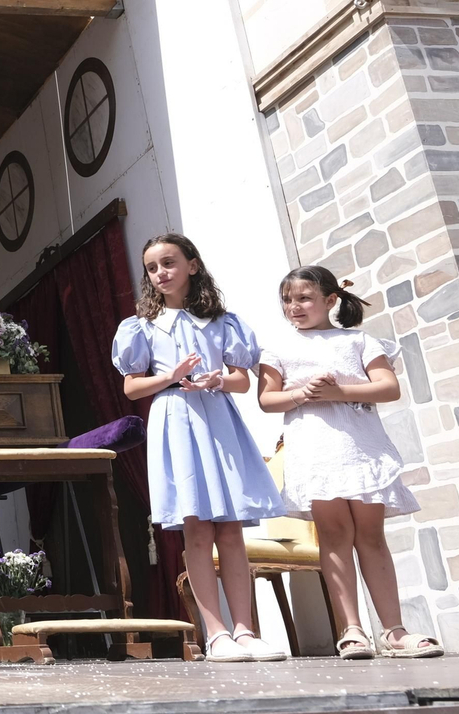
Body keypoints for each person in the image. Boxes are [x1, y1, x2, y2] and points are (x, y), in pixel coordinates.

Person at [110, 233, 286, 664]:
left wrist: (217, 380)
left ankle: (245, 631)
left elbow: (242, 379)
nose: (160, 274)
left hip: (218, 417)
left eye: (168, 263)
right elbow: (132, 388)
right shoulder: (142, 327)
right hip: (175, 420)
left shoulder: (222, 321)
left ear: (192, 264)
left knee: (229, 528)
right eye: (152, 268)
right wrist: (172, 376)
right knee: (197, 528)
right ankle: (217, 634)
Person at [256, 266, 442, 660]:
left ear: (330, 300)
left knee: (371, 537)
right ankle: (352, 630)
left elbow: (388, 387)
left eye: (304, 298)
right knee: (335, 536)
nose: (294, 306)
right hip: (315, 451)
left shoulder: (358, 340)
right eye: (288, 300)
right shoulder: (277, 348)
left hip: (362, 449)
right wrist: (304, 394)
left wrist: (339, 391)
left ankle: (394, 631)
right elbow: (267, 399)